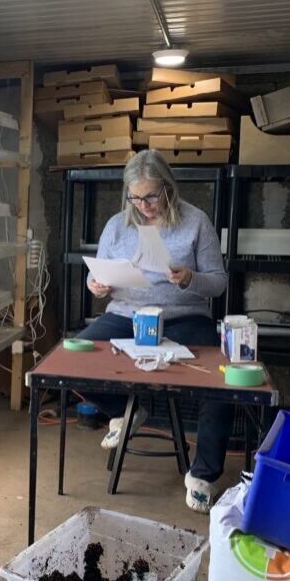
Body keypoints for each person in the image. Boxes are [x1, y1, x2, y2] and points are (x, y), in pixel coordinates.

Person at [80, 150, 232, 514]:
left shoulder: (196, 222)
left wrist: (190, 278)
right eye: (135, 197)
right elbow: (95, 274)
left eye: (150, 196)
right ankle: (126, 412)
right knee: (74, 355)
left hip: (183, 315)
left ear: (168, 188)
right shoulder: (117, 225)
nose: (143, 205)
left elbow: (219, 283)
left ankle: (204, 475)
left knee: (222, 377)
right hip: (126, 313)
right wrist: (95, 285)